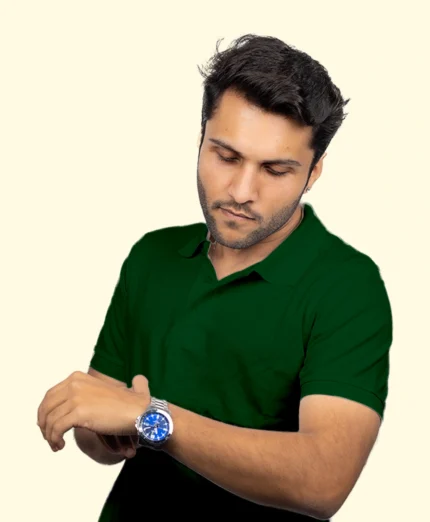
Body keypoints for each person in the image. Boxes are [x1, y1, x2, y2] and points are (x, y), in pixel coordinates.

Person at [37, 34, 393, 520]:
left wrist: (153, 418)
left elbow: (324, 481)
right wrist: (104, 428)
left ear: (313, 174)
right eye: (226, 156)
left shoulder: (348, 286)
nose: (241, 190)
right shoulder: (152, 256)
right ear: (201, 138)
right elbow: (99, 430)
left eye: (275, 169)